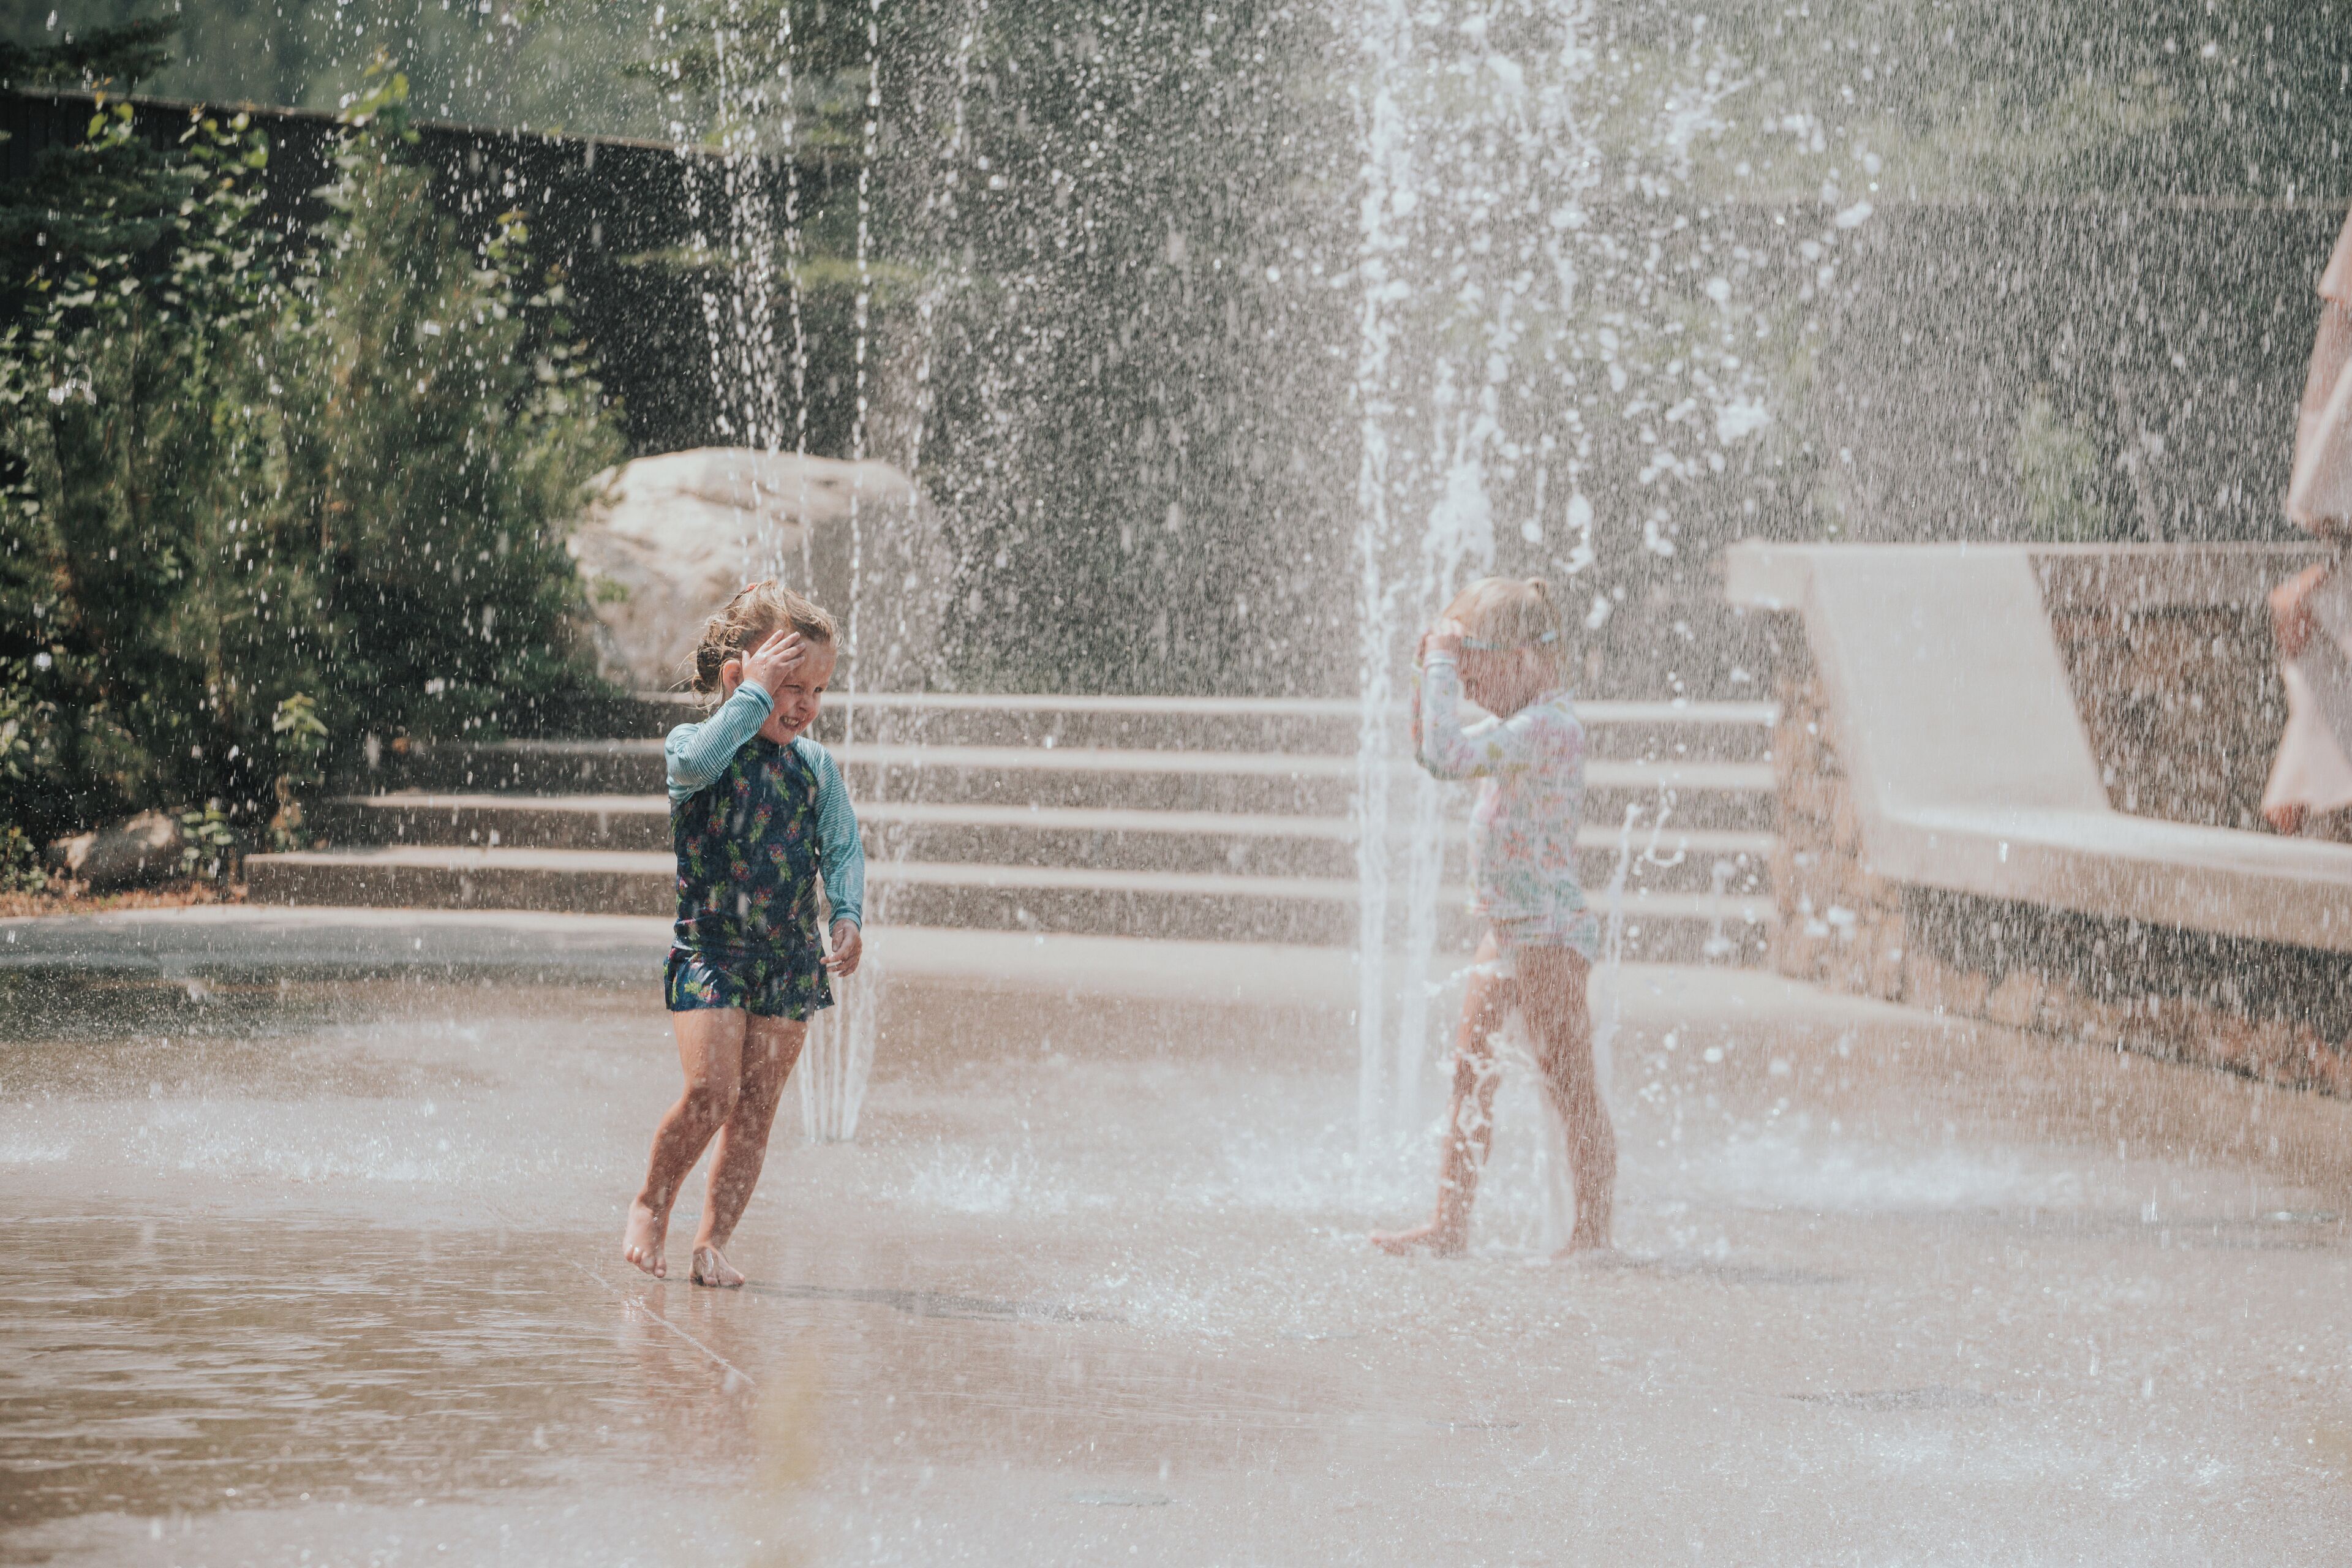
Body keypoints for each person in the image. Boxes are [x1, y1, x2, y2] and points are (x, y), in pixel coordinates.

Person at [621, 582, 865, 1287]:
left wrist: (846, 912)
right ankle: (651, 1201)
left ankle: (712, 1241)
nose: (805, 705)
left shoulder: (815, 767)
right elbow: (695, 765)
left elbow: (843, 847)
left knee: (756, 1109)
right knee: (712, 1092)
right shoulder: (696, 748)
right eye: (790, 685)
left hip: (789, 960)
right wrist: (752, 696)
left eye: (818, 689)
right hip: (713, 951)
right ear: (739, 676)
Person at [1371, 576, 1615, 1259]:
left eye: (1478, 670)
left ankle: (1593, 1233)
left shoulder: (1549, 728)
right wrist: (1432, 670)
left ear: (1524, 659)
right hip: (1509, 928)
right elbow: (1433, 749)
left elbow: (1449, 756)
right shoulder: (1523, 726)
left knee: (1569, 1083)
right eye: (1465, 674)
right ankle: (1449, 1226)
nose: (1471, 687)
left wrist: (1443, 663)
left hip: (1546, 934)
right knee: (1470, 1073)